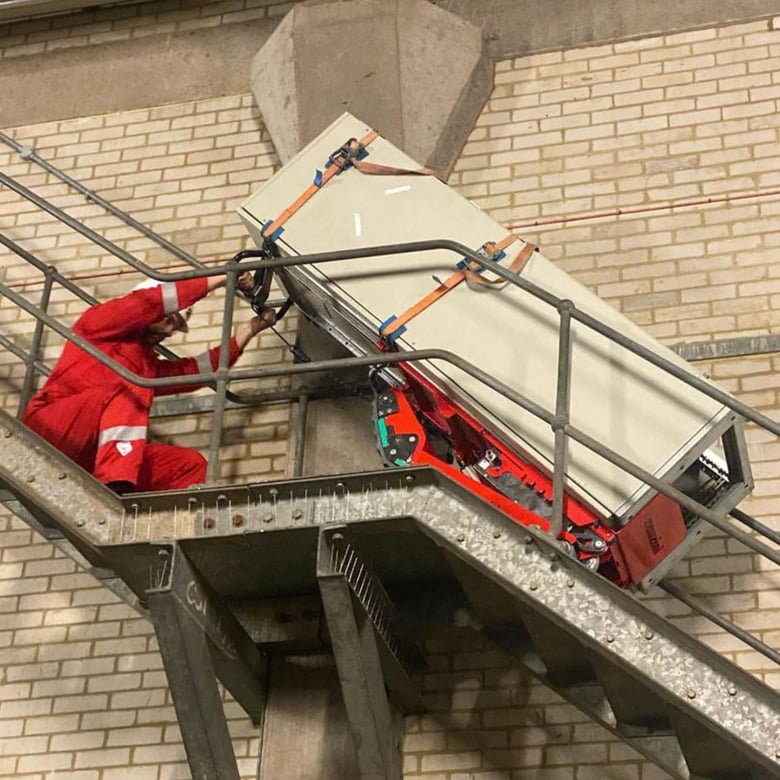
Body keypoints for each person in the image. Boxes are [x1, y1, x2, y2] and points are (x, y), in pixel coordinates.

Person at [22, 271, 275, 494]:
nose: (168, 332)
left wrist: (248, 331)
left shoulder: (145, 366)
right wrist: (222, 277)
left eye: (174, 328)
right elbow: (146, 304)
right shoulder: (98, 324)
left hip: (93, 457)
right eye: (168, 320)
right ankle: (115, 483)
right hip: (50, 428)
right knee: (130, 387)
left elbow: (195, 372)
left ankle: (177, 527)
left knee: (190, 466)